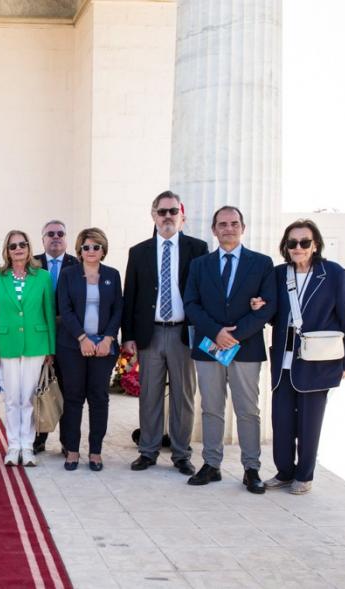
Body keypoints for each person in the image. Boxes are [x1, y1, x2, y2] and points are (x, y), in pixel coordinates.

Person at [255, 219, 345, 495]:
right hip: (283, 360)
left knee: (310, 422)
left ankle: (305, 475)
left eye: (304, 242)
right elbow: (274, 314)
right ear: (285, 246)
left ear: (315, 245)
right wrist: (260, 306)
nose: (297, 247)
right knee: (282, 420)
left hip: (317, 360)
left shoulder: (333, 273)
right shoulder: (278, 274)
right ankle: (285, 472)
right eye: (292, 243)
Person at [183, 205, 275, 494]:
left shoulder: (262, 263)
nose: (228, 228)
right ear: (214, 230)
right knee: (211, 408)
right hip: (210, 346)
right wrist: (216, 333)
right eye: (222, 224)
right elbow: (191, 304)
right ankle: (211, 464)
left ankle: (251, 468)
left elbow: (267, 307)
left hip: (245, 347)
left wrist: (234, 336)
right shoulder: (200, 265)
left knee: (248, 409)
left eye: (234, 223)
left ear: (243, 228)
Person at [122, 191, 208, 476]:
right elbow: (130, 296)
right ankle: (148, 451)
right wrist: (128, 336)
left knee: (184, 396)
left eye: (173, 211)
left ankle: (182, 454)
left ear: (182, 216)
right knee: (150, 395)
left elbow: (206, 293)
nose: (168, 216)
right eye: (162, 212)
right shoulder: (139, 252)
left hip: (183, 334)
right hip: (151, 334)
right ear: (153, 216)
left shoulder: (198, 249)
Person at [0, 230, 56, 467]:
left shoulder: (42, 276)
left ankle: (28, 446)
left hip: (36, 344)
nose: (18, 249)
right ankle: (13, 446)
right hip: (7, 344)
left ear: (29, 247)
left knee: (28, 398)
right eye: (13, 246)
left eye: (22, 244)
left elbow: (49, 312)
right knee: (12, 398)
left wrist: (51, 348)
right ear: (7, 250)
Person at [56, 228, 123, 471]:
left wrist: (108, 339)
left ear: (103, 250)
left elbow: (118, 309)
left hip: (103, 348)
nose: (91, 251)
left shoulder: (112, 275)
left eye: (96, 246)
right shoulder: (68, 274)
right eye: (86, 247)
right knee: (73, 397)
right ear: (80, 250)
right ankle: (72, 450)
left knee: (99, 398)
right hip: (72, 346)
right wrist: (82, 338)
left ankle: (95, 451)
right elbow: (64, 309)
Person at [32, 219, 78, 455]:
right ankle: (37, 439)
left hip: (69, 337)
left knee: (69, 390)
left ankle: (67, 442)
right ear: (43, 240)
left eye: (60, 233)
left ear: (66, 238)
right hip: (39, 337)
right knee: (38, 388)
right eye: (51, 234)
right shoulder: (31, 264)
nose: (56, 237)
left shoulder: (78, 264)